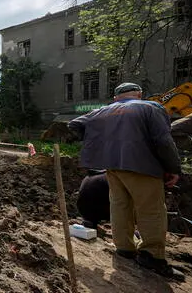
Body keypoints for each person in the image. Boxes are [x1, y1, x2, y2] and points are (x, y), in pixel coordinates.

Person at [68, 82, 183, 279]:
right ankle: (152, 255)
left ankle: (124, 248)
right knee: (151, 209)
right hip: (142, 165)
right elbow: (163, 140)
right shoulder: (150, 107)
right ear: (139, 94)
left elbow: (74, 125)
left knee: (120, 205)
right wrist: (173, 168)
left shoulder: (101, 112)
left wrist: (100, 138)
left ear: (115, 98)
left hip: (112, 166)